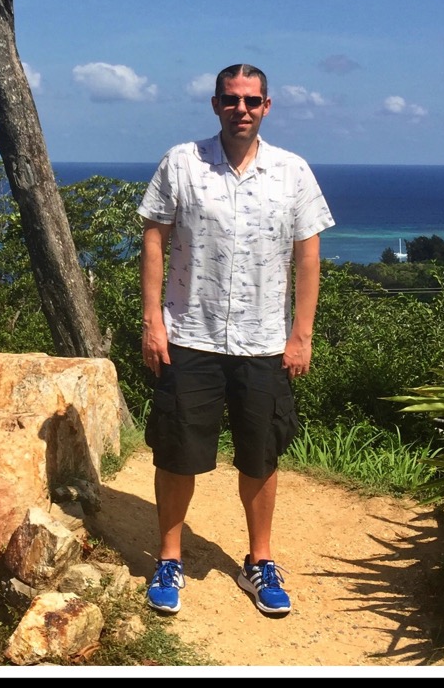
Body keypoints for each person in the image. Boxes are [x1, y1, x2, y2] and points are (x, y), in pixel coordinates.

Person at [137, 63, 335, 617]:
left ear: (267, 106)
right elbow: (154, 239)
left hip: (265, 339)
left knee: (261, 453)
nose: (240, 109)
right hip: (190, 334)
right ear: (215, 104)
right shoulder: (182, 163)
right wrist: (153, 321)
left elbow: (308, 254)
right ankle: (170, 558)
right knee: (177, 452)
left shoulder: (292, 171)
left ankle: (260, 560)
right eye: (231, 100)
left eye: (251, 101)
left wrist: (302, 335)